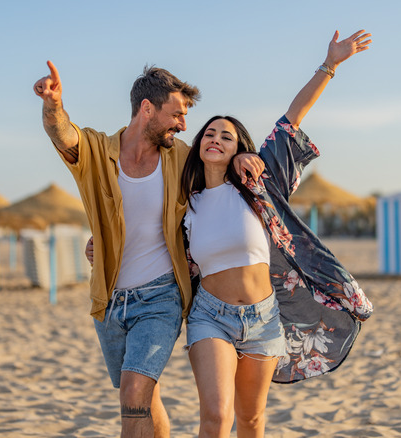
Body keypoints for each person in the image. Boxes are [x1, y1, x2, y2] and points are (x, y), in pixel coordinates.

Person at [33, 63, 263, 437]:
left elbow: (219, 161)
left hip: (161, 296)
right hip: (108, 300)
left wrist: (238, 158)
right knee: (142, 397)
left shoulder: (182, 157)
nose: (184, 125)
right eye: (177, 115)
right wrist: (53, 104)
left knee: (134, 392)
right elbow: (62, 134)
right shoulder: (96, 151)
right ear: (146, 109)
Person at [180, 30, 375, 437]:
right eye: (210, 133)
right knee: (216, 416)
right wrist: (102, 246)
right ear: (199, 144)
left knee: (251, 420)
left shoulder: (259, 184)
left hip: (264, 319)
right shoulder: (184, 203)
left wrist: (330, 65)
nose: (216, 139)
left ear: (239, 148)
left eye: (227, 136)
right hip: (210, 318)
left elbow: (293, 118)